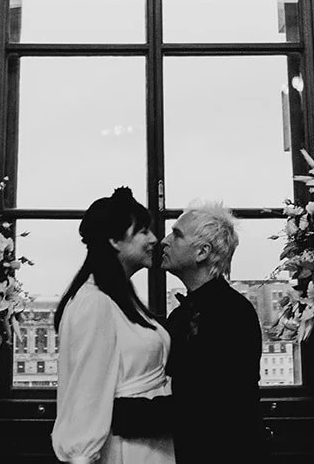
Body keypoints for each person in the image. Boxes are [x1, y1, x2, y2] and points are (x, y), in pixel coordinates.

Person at [52, 187, 176, 464]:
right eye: (143, 231)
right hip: (125, 450)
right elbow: (86, 393)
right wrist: (81, 456)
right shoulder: (94, 304)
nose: (154, 239)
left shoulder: (121, 299)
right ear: (114, 240)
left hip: (150, 445)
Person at [160, 202, 267, 462]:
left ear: (202, 252)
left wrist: (125, 415)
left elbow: (206, 406)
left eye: (176, 234)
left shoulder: (232, 315)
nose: (164, 241)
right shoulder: (186, 313)